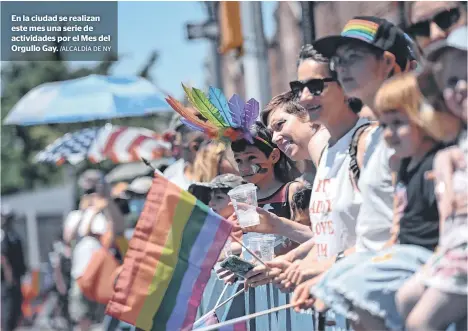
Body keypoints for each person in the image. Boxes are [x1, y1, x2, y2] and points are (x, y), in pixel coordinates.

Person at [395, 26, 468, 331]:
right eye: (451, 81)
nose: (461, 87)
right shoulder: (457, 145)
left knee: (422, 322)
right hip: (454, 248)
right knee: (405, 299)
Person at [63, 170, 125, 331]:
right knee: (82, 317)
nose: (90, 194)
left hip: (104, 274)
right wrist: (85, 212)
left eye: (93, 189)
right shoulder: (76, 215)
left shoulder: (105, 213)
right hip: (81, 274)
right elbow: (68, 238)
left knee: (107, 320)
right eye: (87, 190)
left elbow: (119, 229)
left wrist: (106, 200)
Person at [1, 206, 26, 331]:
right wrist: (9, 277)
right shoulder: (3, 236)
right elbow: (4, 258)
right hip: (7, 281)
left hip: (17, 278)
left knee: (16, 310)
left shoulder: (14, 236)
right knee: (8, 311)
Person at [163, 121, 206, 190]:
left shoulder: (218, 171)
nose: (174, 143)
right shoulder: (171, 173)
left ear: (194, 146)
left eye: (176, 137)